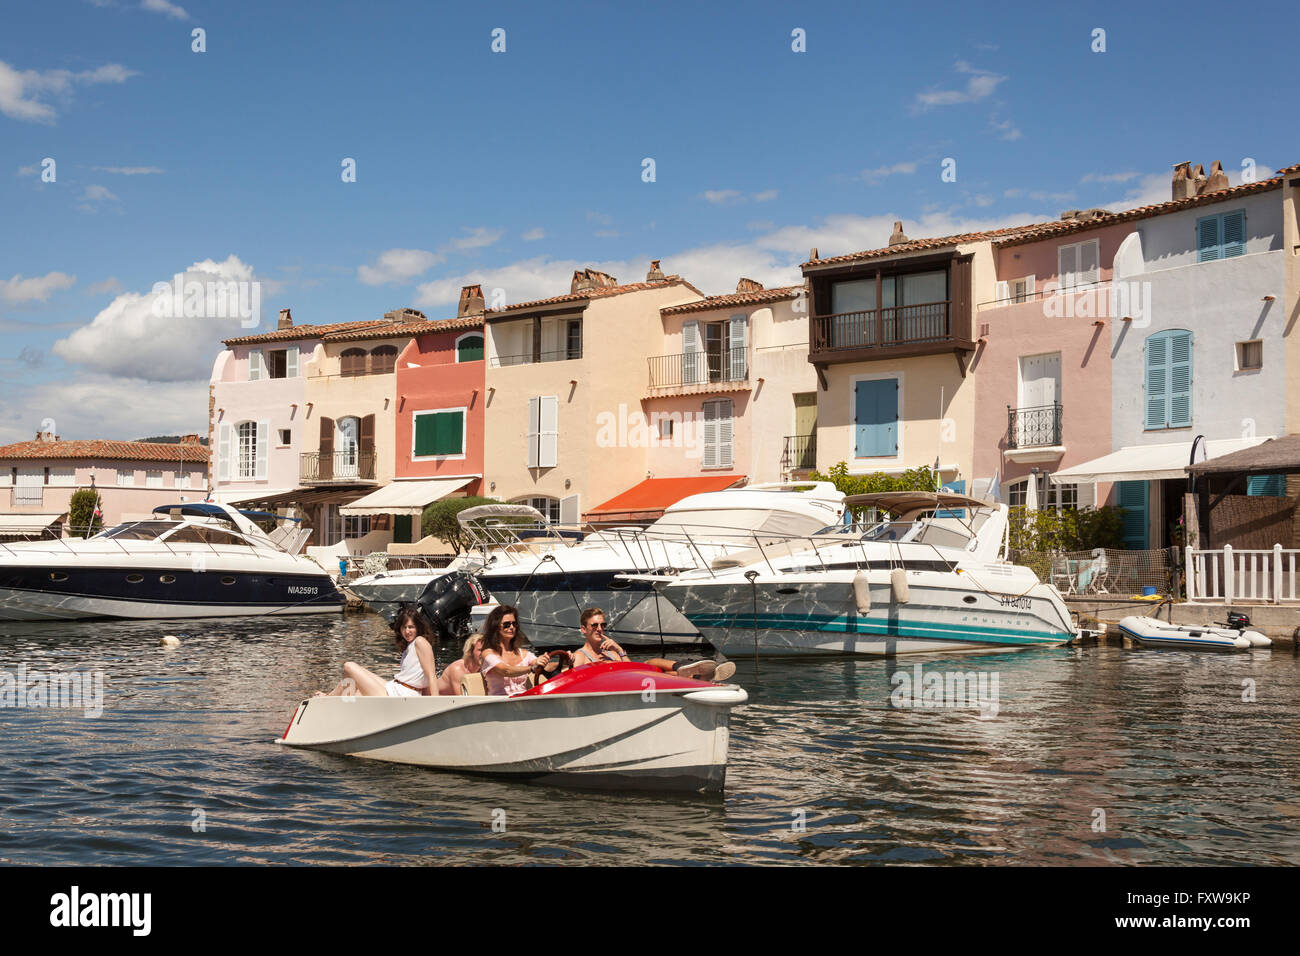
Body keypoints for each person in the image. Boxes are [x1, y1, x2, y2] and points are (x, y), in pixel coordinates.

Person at [560, 607, 736, 682]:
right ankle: (697, 674)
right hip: (620, 686)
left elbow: (631, 669)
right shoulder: (582, 655)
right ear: (584, 629)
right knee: (651, 668)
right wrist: (567, 664)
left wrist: (620, 650)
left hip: (634, 682)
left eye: (603, 625)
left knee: (651, 665)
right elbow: (569, 679)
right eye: (594, 626)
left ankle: (696, 672)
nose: (600, 629)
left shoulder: (611, 652)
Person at [316, 604, 438, 698]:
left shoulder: (420, 641)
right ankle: (333, 698)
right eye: (404, 627)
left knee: (349, 667)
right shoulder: (409, 646)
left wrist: (436, 704)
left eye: (411, 627)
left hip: (403, 695)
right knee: (355, 688)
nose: (407, 631)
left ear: (418, 627)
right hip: (396, 688)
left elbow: (431, 676)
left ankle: (328, 698)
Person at [478, 605, 564, 696]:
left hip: (523, 700)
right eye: (507, 625)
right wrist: (531, 668)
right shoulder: (488, 653)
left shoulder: (524, 654)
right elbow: (506, 671)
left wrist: (563, 662)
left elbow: (543, 666)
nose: (512, 627)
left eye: (514, 624)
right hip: (500, 703)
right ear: (496, 627)